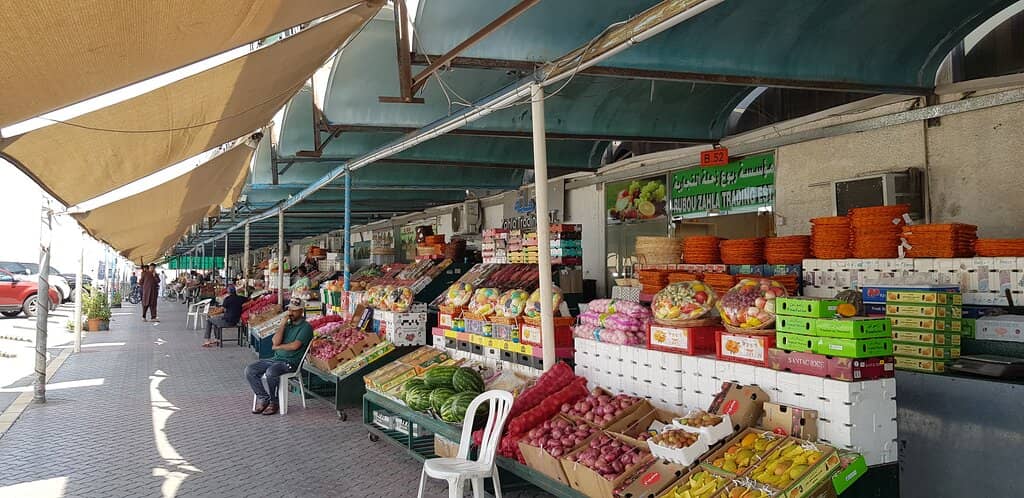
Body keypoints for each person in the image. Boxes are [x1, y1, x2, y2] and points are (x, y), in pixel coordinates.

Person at [244, 298, 313, 415]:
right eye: (289, 309)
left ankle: (274, 402)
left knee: (271, 372)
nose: (290, 313)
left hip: (291, 362)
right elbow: (275, 342)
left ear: (301, 311)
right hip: (276, 359)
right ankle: (264, 398)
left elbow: (295, 346)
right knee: (250, 370)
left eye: (294, 310)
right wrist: (282, 324)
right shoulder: (287, 325)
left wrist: (278, 347)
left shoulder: (306, 327)